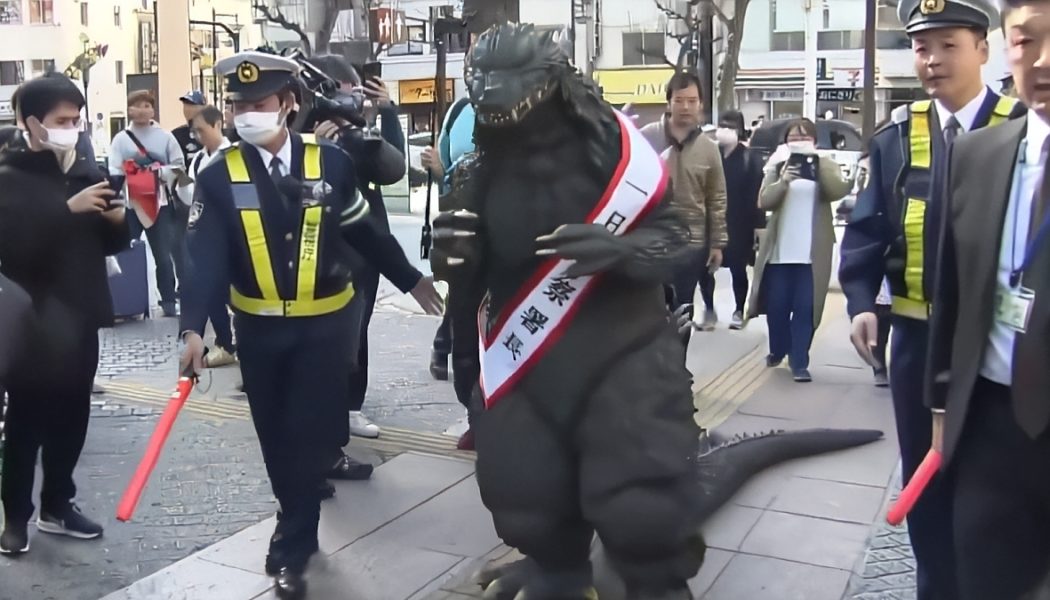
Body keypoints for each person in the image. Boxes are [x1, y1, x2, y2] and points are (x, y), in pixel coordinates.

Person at [178, 51, 439, 599]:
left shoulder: (331, 164)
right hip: (260, 331)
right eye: (238, 106)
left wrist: (411, 279)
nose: (247, 114)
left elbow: (365, 232)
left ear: (288, 105)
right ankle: (295, 517)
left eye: (259, 104)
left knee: (309, 436)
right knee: (277, 441)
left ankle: (292, 541)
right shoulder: (219, 174)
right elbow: (204, 258)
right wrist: (193, 328)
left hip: (325, 330)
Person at [838, 1, 1020, 597]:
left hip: (995, 351)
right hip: (916, 346)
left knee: (994, 485)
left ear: (983, 49)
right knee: (926, 484)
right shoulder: (895, 136)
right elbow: (867, 231)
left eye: (949, 45)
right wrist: (862, 301)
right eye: (921, 47)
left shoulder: (1023, 131)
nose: (933, 60)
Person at [926, 1, 1050, 596]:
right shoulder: (977, 155)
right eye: (1027, 42)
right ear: (1004, 49)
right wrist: (941, 409)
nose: (1043, 62)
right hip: (991, 428)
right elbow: (949, 296)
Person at [0, 73, 130, 554]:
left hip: (80, 318)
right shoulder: (9, 179)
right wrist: (65, 211)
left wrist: (118, 219)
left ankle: (59, 503)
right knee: (25, 425)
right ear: (31, 123)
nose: (71, 128)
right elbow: (16, 247)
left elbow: (114, 241)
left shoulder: (84, 171)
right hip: (31, 324)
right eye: (62, 120)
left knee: (72, 420)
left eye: (77, 120)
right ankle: (15, 516)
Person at [307, 54, 421, 443]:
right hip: (315, 249)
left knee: (357, 328)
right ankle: (319, 409)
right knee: (321, 333)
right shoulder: (300, 132)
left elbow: (393, 168)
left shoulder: (359, 133)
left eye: (356, 93)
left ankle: (350, 406)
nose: (352, 100)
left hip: (364, 250)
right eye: (346, 92)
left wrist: (385, 115)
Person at [746, 118, 850, 382]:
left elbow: (838, 189)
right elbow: (764, 200)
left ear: (814, 141)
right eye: (793, 137)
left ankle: (800, 361)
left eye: (804, 137)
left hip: (811, 256)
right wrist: (782, 179)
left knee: (806, 309)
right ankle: (778, 350)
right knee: (778, 307)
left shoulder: (823, 165)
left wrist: (818, 162)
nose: (799, 142)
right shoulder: (778, 165)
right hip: (780, 253)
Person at [421, 35, 481, 451]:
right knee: (465, 334)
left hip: (510, 238)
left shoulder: (526, 115)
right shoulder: (459, 110)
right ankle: (474, 412)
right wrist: (440, 170)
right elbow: (446, 176)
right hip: (462, 237)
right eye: (474, 64)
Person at [640, 71, 728, 333]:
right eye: (679, 100)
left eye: (692, 100)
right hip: (651, 240)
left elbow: (717, 198)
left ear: (701, 104)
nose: (686, 107)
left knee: (682, 313)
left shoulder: (709, 149)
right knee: (649, 312)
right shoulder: (647, 138)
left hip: (691, 244)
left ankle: (677, 366)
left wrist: (717, 244)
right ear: (669, 102)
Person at [108, 90, 185, 317]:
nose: (141, 110)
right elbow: (113, 168)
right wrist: (127, 175)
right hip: (132, 204)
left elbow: (178, 165)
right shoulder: (121, 139)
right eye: (136, 105)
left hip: (159, 203)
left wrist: (158, 173)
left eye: (146, 105)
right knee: (125, 250)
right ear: (129, 109)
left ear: (153, 109)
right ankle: (126, 298)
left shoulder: (166, 137)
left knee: (163, 254)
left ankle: (169, 301)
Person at [179, 105, 237, 368]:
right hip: (206, 234)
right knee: (212, 291)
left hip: (234, 239)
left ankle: (234, 343)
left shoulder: (235, 156)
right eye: (195, 132)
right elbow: (193, 201)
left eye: (202, 130)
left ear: (217, 125)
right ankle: (225, 343)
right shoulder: (199, 160)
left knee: (232, 296)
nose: (199, 136)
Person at [708, 109, 765, 329]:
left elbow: (757, 194)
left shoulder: (749, 158)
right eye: (722, 125)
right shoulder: (712, 155)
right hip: (714, 219)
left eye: (730, 126)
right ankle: (709, 309)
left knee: (737, 268)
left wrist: (758, 226)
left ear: (739, 130)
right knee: (707, 267)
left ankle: (739, 309)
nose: (725, 131)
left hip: (741, 221)